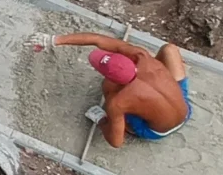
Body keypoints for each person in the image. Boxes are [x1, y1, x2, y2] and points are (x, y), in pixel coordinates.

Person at [50, 32, 192, 146]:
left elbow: (116, 142)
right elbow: (97, 39)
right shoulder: (141, 55)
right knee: (169, 49)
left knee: (108, 89)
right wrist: (55, 40)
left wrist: (102, 120)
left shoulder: (118, 101)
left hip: (157, 130)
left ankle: (128, 127)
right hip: (184, 107)